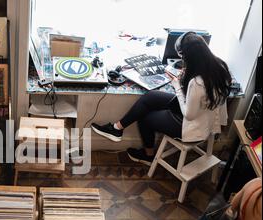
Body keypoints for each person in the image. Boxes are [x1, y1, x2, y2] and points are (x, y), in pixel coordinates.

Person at [91, 32, 232, 165]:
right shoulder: (219, 67)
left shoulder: (197, 82)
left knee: (145, 118)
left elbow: (189, 114)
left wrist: (177, 85)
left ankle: (149, 156)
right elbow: (200, 98)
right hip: (202, 113)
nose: (182, 60)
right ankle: (117, 128)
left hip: (191, 124)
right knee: (150, 96)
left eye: (183, 57)